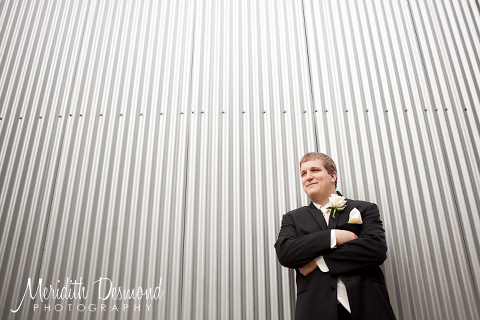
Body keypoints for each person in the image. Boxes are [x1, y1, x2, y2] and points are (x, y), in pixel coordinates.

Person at [275, 152, 396, 320]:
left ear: (333, 176)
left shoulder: (365, 209)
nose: (308, 177)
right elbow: (285, 252)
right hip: (316, 311)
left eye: (315, 170)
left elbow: (375, 248)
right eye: (303, 173)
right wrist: (334, 236)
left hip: (368, 307)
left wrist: (319, 262)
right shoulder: (293, 218)